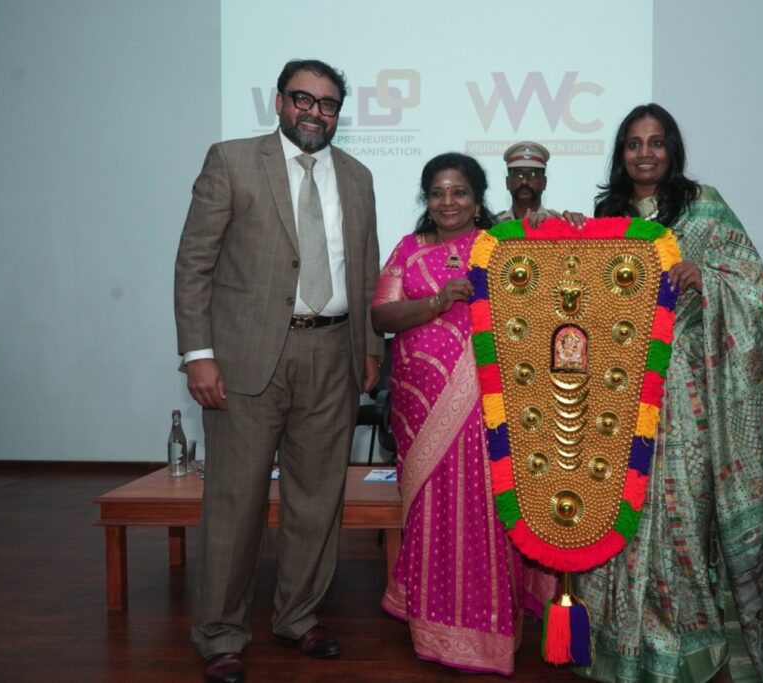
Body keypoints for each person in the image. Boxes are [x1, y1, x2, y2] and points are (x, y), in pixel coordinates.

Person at [573, 104, 763, 682]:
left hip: (686, 394)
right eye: (633, 144)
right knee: (618, 514)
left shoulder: (705, 206)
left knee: (685, 516)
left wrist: (708, 276)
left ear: (672, 149)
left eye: (655, 143)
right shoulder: (609, 213)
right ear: (620, 154)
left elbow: (754, 287)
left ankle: (689, 645)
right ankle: (623, 644)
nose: (644, 154)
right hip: (620, 397)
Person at [174, 59, 382, 683]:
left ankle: (298, 617)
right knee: (235, 500)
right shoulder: (232, 161)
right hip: (244, 359)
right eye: (303, 99)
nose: (315, 112)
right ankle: (219, 634)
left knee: (317, 500)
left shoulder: (358, 175)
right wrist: (198, 354)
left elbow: (366, 268)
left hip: (334, 353)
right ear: (280, 101)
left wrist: (369, 348)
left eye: (328, 104)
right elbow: (194, 265)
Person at [371, 153, 553, 675]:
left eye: (460, 193)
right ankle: (430, 622)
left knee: (483, 501)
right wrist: (435, 302)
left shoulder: (499, 245)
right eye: (437, 192)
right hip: (418, 400)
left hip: (485, 395)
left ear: (478, 199)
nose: (448, 202)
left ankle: (490, 627)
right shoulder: (408, 249)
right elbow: (381, 314)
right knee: (431, 505)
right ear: (426, 199)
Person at [493, 141, 562, 222]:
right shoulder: (494, 225)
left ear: (544, 182)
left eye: (533, 174)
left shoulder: (556, 222)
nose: (524, 181)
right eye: (518, 174)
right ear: (507, 182)